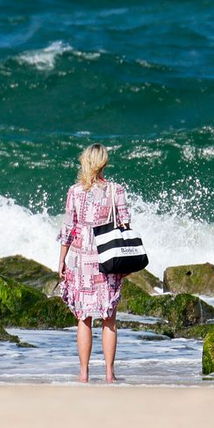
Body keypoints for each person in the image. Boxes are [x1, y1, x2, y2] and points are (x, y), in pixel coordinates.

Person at [56, 143, 130, 384]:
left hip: (80, 259)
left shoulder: (75, 191)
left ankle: (84, 373)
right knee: (109, 317)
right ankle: (109, 374)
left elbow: (69, 229)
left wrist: (61, 260)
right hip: (108, 258)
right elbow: (125, 225)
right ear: (104, 163)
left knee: (83, 317)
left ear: (85, 161)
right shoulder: (115, 190)